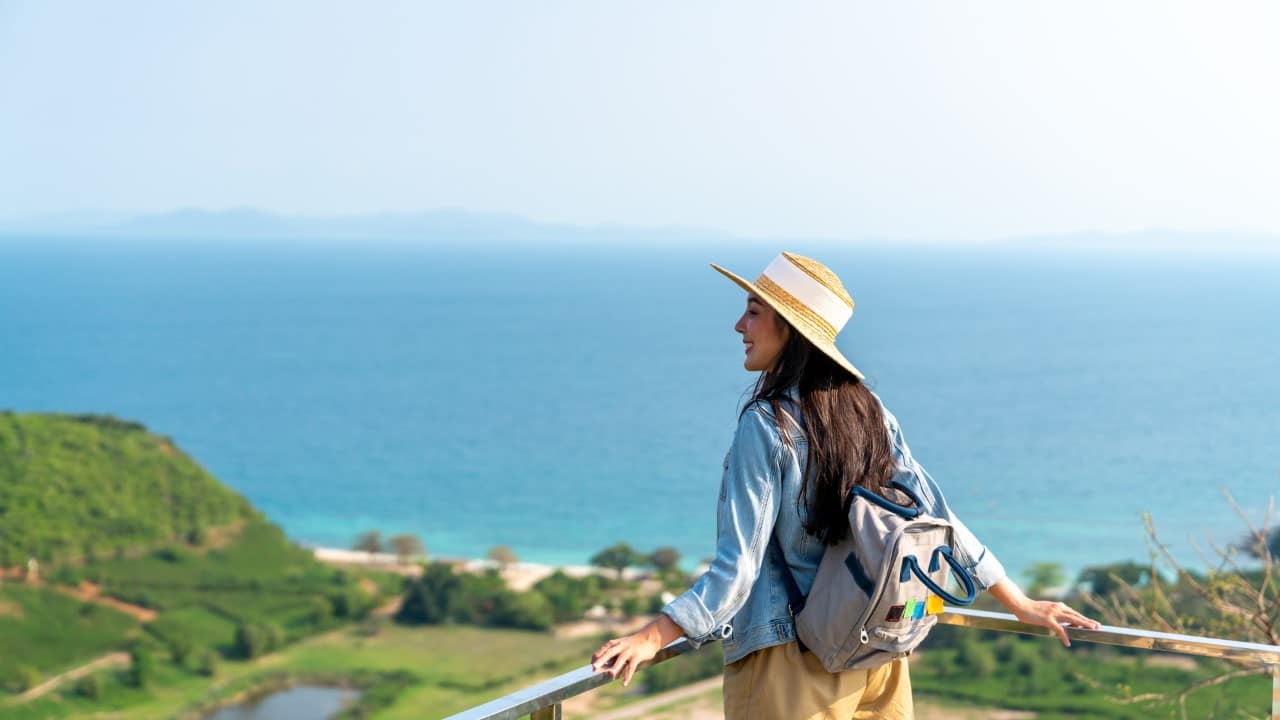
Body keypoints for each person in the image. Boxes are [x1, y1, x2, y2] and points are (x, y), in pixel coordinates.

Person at [590, 252, 1099, 719]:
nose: (738, 326)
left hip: (792, 661)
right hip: (879, 654)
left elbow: (739, 568)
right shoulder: (870, 412)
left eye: (753, 312)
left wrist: (654, 635)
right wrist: (1020, 603)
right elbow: (937, 522)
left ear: (789, 328)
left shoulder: (767, 425)